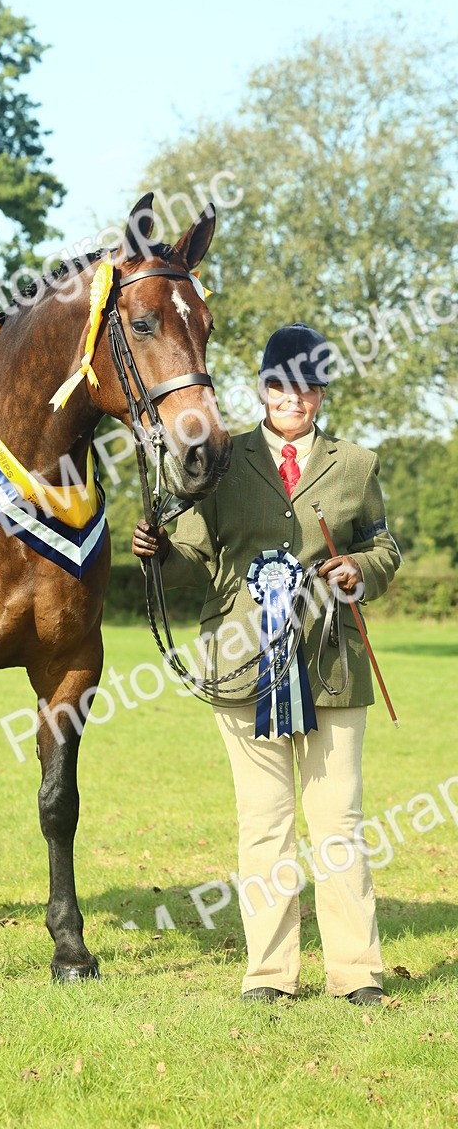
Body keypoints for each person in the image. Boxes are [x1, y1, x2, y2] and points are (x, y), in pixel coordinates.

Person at [132, 323, 401, 1005]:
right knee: (265, 825)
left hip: (332, 666)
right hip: (243, 666)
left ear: (320, 395)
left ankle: (356, 971)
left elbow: (383, 545)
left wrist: (358, 568)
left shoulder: (358, 464)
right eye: (280, 384)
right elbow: (193, 548)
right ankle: (271, 974)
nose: (293, 398)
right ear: (262, 386)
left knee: (337, 820)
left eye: (307, 387)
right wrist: (157, 546)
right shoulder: (224, 458)